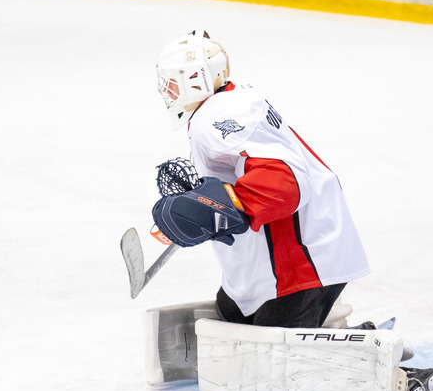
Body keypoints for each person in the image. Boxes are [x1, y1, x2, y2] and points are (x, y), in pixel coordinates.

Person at [151, 28, 370, 329]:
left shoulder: (215, 116)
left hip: (300, 259)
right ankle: (326, 324)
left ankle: (352, 347)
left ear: (196, 80)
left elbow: (285, 181)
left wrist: (221, 208)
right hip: (288, 250)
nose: (166, 90)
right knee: (233, 315)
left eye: (172, 82)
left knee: (271, 350)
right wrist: (206, 197)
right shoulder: (231, 100)